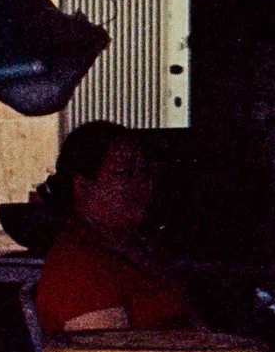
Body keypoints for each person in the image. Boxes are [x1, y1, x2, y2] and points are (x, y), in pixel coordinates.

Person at [32, 121, 199, 336]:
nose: (143, 184)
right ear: (82, 186)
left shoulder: (141, 251)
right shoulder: (80, 265)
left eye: (146, 173)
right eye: (125, 174)